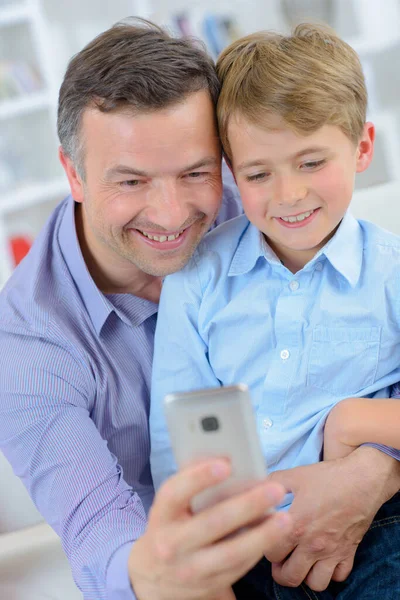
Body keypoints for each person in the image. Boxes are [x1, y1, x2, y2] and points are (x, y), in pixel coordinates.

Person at [0, 19, 294, 600]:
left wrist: (370, 469)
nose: (171, 214)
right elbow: (100, 531)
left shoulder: (260, 208)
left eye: (196, 173)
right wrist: (155, 573)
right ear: (73, 173)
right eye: (132, 181)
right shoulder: (28, 347)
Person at [150, 23, 400, 599]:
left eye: (312, 162)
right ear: (232, 175)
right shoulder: (198, 277)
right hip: (247, 543)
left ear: (362, 147)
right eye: (260, 174)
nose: (288, 195)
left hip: (378, 534)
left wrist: (353, 426)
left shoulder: (388, 273)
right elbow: (174, 432)